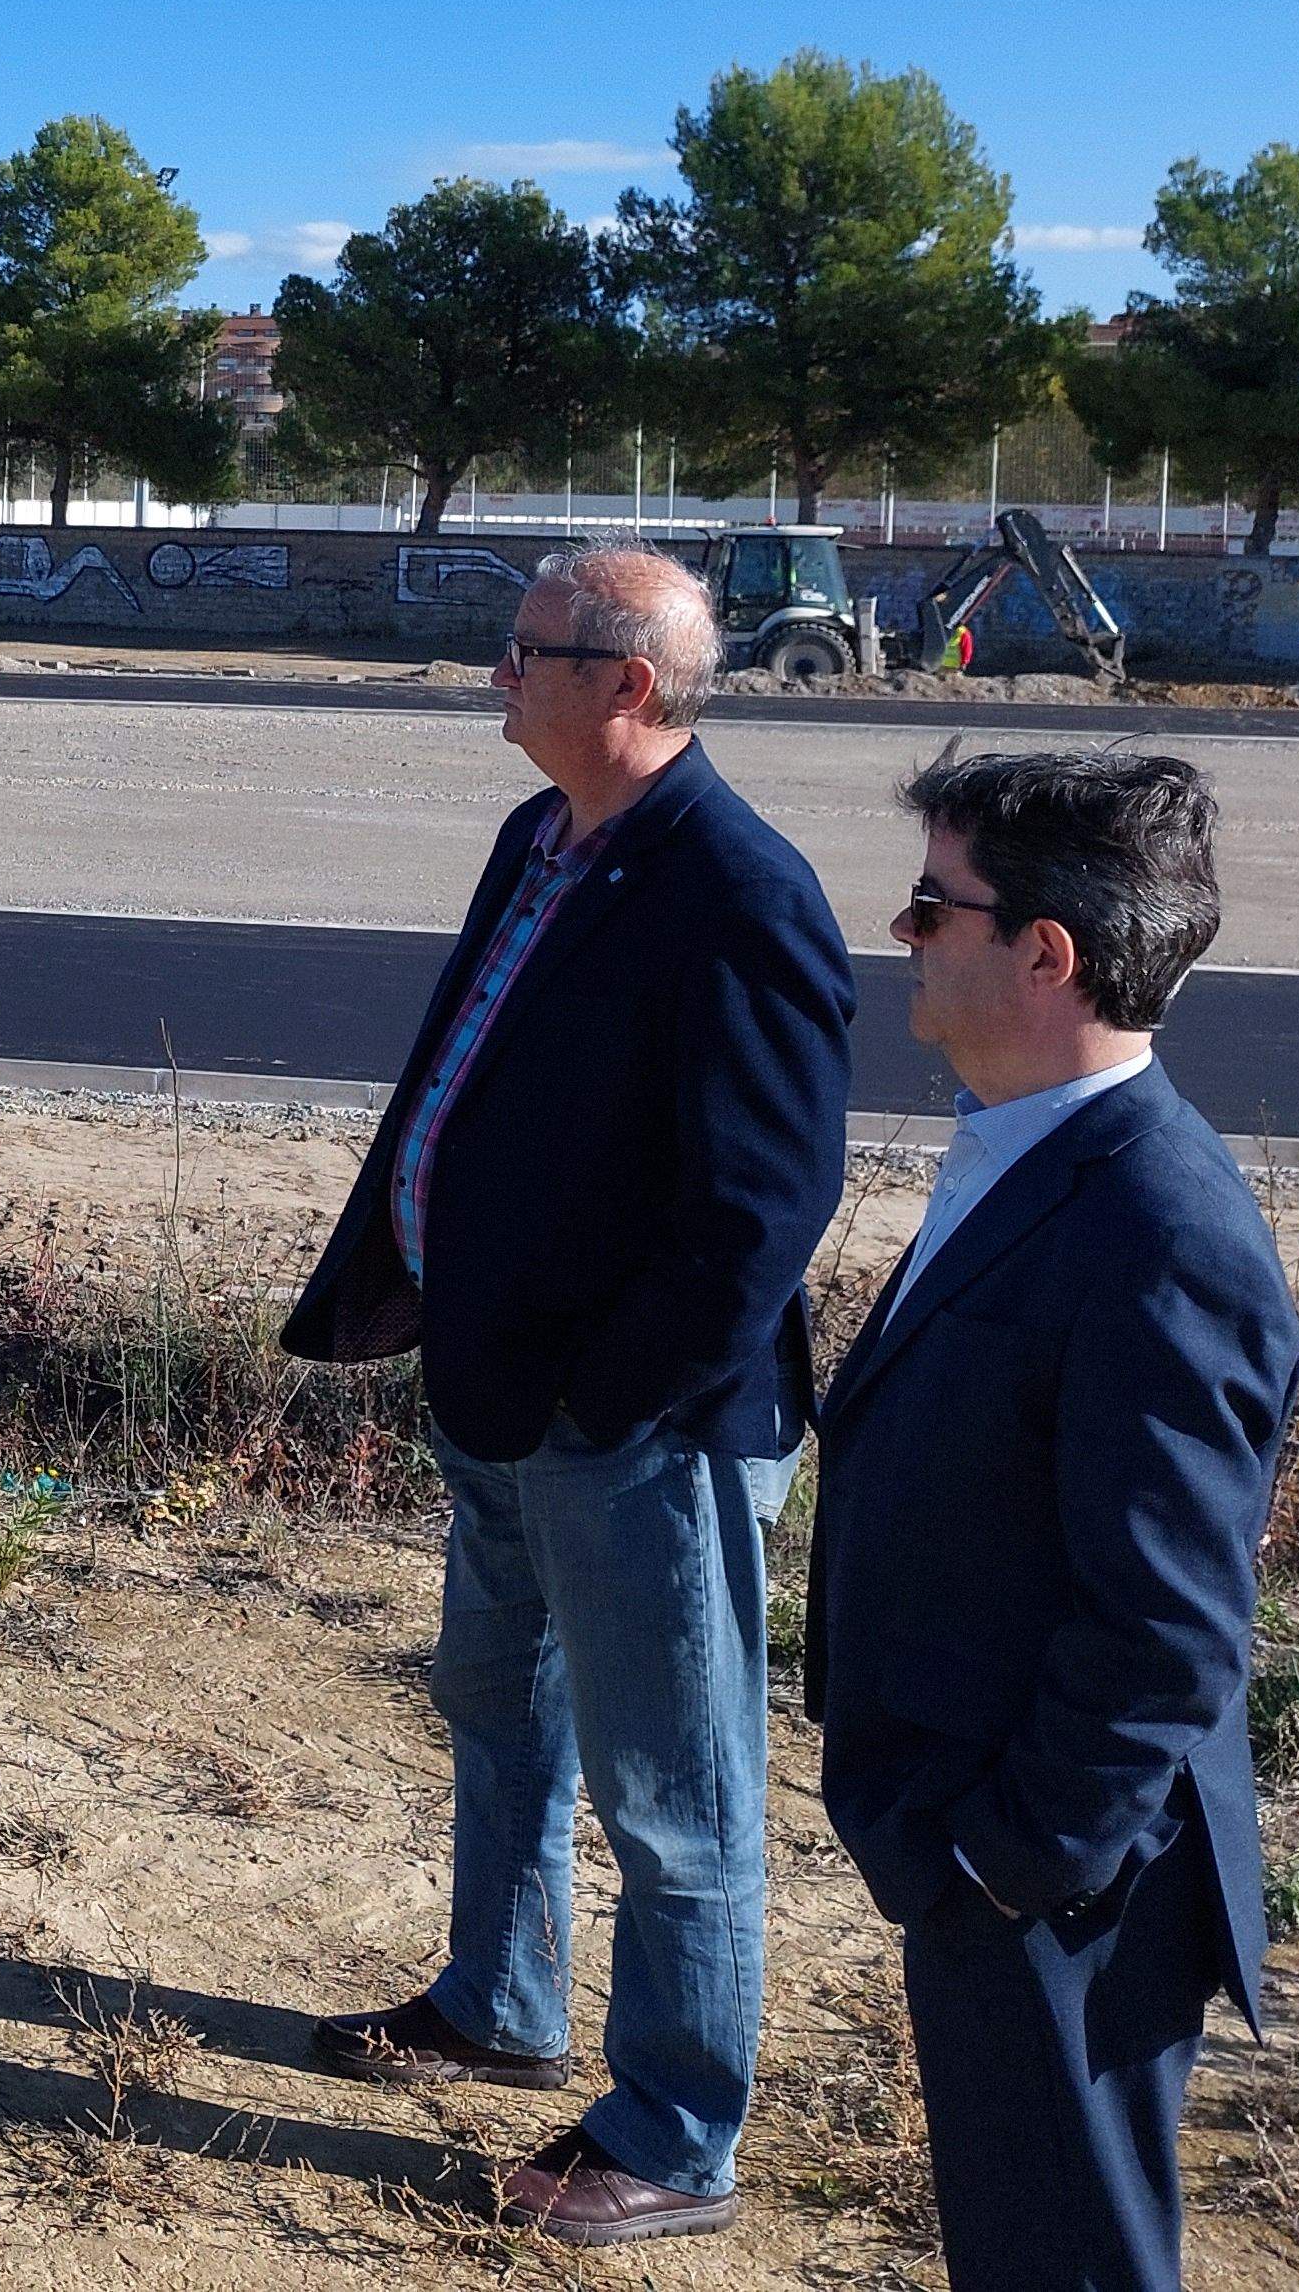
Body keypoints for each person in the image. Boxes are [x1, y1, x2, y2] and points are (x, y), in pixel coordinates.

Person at [280, 541, 852, 2246]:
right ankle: (501, 1999)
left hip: (641, 1435)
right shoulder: (544, 841)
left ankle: (676, 2134)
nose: (496, 671)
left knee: (677, 1794)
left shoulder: (740, 889)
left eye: (526, 649)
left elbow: (763, 1206)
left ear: (627, 683)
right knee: (501, 1712)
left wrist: (616, 1400)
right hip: (501, 1385)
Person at [811, 749, 1299, 2292]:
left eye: (931, 906)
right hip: (999, 1844)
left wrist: (1007, 1866)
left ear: (1047, 952)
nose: (900, 933)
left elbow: (1167, 1630)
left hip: (1066, 1885)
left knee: (1065, 2263)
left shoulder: (1161, 1229)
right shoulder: (1032, 1151)